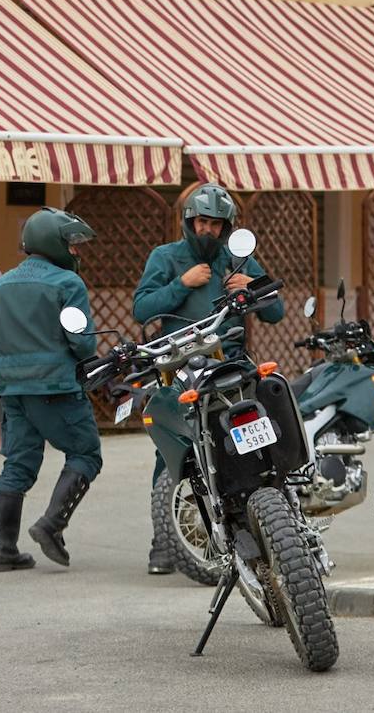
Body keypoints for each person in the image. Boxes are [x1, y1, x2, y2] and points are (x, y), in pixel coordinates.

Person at [133, 183, 284, 575]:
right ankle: (165, 542)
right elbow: (142, 308)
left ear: (227, 226)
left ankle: (257, 527)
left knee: (246, 443)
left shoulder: (238, 259)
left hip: (229, 366)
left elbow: (276, 311)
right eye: (201, 221)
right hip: (177, 367)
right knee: (172, 448)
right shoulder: (166, 257)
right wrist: (180, 284)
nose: (208, 230)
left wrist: (252, 287)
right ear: (189, 222)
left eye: (216, 224)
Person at [0, 207, 102, 571]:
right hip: (56, 388)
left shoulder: (1, 285)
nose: (76, 252)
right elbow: (82, 344)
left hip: (12, 391)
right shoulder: (68, 284)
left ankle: (3, 550)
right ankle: (51, 525)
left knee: (18, 462)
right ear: (55, 243)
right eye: (72, 244)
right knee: (85, 454)